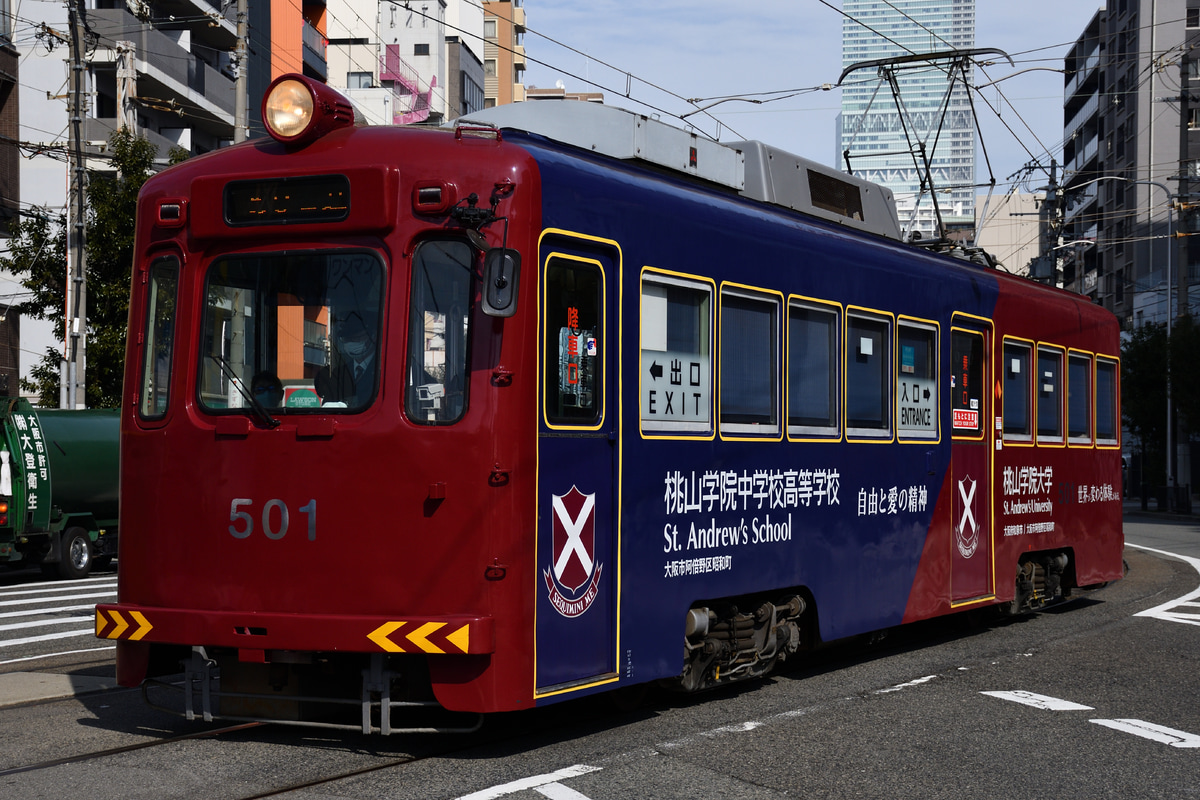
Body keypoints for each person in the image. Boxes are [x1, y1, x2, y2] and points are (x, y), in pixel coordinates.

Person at [316, 314, 377, 407]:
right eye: (346, 339)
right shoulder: (339, 374)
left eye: (357, 338)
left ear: (373, 336)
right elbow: (329, 407)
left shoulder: (383, 369)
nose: (351, 342)